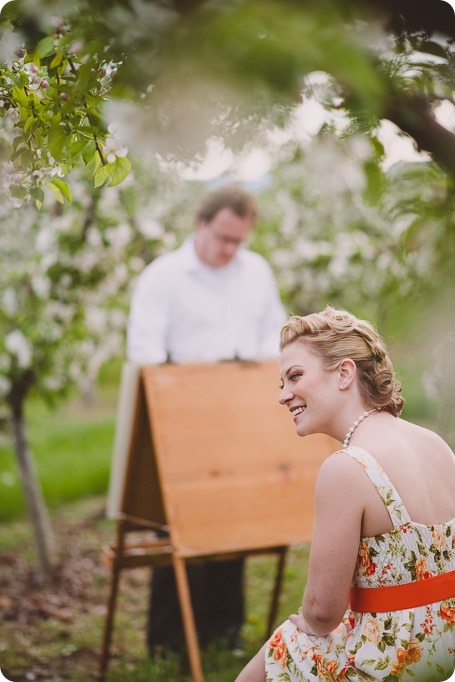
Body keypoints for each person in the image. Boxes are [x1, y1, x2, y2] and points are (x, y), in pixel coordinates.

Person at [236, 306, 455, 682]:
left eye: (295, 376)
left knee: (278, 652)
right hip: (445, 646)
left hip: (391, 659)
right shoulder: (436, 444)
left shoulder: (348, 467)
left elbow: (323, 613)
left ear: (343, 373)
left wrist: (304, 620)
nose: (283, 396)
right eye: (282, 384)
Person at [126, 184, 287, 656]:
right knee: (177, 531)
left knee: (231, 526)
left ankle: (224, 633)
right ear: (201, 225)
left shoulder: (256, 272)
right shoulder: (163, 277)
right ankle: (169, 642)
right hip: (180, 418)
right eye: (223, 238)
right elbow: (145, 352)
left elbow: (272, 338)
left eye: (239, 240)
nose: (230, 249)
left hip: (239, 416)